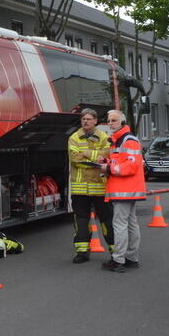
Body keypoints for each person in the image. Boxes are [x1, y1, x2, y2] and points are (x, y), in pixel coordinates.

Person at [99, 109, 146, 273]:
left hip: (124, 190)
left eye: (114, 120)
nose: (110, 123)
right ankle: (131, 258)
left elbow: (131, 166)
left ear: (122, 122)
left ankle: (118, 259)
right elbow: (122, 161)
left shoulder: (127, 140)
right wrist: (106, 161)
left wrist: (108, 168)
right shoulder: (119, 140)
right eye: (109, 120)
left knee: (120, 225)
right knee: (131, 224)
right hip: (128, 190)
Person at [67, 108, 114, 263]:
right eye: (83, 119)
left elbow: (107, 155)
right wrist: (95, 158)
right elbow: (75, 159)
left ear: (95, 121)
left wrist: (87, 154)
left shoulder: (104, 137)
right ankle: (82, 252)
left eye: (88, 119)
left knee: (107, 220)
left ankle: (115, 252)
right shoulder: (74, 137)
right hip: (80, 189)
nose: (85, 121)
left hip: (100, 188)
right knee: (81, 221)